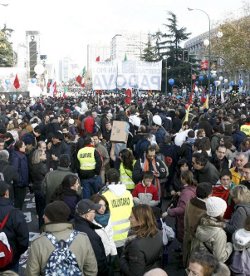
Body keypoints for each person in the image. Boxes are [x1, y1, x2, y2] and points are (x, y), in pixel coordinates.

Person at [26, 201, 97, 276]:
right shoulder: (83, 238)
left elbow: (31, 273)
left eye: (45, 215)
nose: (43, 216)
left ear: (51, 217)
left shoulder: (38, 243)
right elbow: (91, 270)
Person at [120, 204, 163, 276]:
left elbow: (135, 274)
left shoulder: (135, 246)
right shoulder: (158, 232)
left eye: (131, 217)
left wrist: (122, 259)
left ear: (140, 221)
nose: (129, 219)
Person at [101, 168, 133, 256]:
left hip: (113, 237)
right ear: (119, 178)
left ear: (107, 180)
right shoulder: (128, 193)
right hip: (128, 234)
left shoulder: (104, 196)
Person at [73, 199, 109, 276]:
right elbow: (99, 261)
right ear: (87, 215)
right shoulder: (91, 235)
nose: (95, 214)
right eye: (93, 212)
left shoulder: (71, 224)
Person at [192, 197, 233, 263]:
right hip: (209, 266)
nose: (224, 211)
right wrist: (230, 246)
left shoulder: (201, 220)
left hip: (199, 260)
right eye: (223, 210)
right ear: (220, 212)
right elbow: (220, 258)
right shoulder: (219, 233)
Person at [0, 181, 29, 273]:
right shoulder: (15, 213)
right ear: (6, 193)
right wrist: (16, 254)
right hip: (10, 257)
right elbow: (24, 240)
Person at [183, 182, 213, 267]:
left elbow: (185, 219)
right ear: (210, 194)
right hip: (199, 240)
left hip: (187, 233)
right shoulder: (207, 209)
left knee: (188, 258)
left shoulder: (190, 202)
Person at [163, 170, 196, 244]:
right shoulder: (192, 188)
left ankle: (183, 253)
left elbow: (183, 208)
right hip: (189, 217)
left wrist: (169, 212)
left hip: (184, 219)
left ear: (182, 179)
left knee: (184, 238)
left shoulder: (186, 192)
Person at [30, 149, 48, 229]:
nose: (45, 155)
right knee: (44, 209)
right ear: (39, 156)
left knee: (39, 210)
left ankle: (40, 226)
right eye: (44, 154)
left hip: (36, 188)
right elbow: (47, 177)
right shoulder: (42, 166)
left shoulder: (33, 166)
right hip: (42, 189)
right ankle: (44, 227)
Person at [11, 140, 29, 210]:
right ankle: (17, 218)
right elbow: (15, 171)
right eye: (23, 145)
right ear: (19, 147)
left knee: (20, 202)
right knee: (18, 202)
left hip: (22, 183)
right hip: (19, 184)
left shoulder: (21, 155)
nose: (25, 146)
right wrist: (20, 181)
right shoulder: (16, 157)